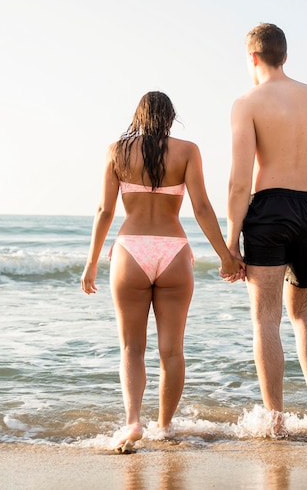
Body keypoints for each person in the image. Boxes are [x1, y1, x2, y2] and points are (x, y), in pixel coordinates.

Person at [81, 91, 244, 453]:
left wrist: (92, 261)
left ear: (138, 117)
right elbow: (201, 207)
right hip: (172, 251)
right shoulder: (187, 151)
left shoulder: (117, 152)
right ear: (170, 118)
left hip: (130, 250)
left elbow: (104, 211)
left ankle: (133, 422)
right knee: (172, 352)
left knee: (131, 348)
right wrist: (227, 257)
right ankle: (165, 427)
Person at [223, 23, 307, 437]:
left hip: (269, 206)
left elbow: (240, 181)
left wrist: (232, 237)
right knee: (304, 312)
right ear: (285, 56)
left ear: (253, 58)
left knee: (265, 319)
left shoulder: (247, 102)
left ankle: (275, 422)